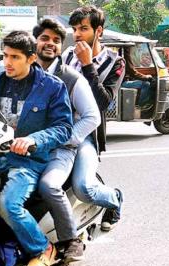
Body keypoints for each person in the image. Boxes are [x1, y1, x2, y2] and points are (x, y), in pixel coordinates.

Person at [0, 31, 73, 266]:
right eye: (5, 55)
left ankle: (44, 249)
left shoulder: (53, 87)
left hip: (28, 161)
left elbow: (64, 129)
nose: (7, 62)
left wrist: (33, 140)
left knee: (8, 204)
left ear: (31, 58)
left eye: (15, 57)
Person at [33, 18, 100, 262]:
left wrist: (66, 139)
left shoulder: (72, 79)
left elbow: (93, 117)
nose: (50, 44)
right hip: (28, 147)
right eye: (44, 38)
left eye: (56, 40)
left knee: (49, 186)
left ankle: (71, 239)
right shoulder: (22, 75)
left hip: (60, 149)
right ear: (34, 42)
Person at [61, 5, 125, 231]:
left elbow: (104, 102)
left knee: (83, 188)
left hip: (87, 134)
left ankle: (113, 199)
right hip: (59, 130)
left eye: (84, 29)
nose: (77, 34)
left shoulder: (115, 62)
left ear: (99, 31)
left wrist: (88, 65)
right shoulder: (66, 56)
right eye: (75, 29)